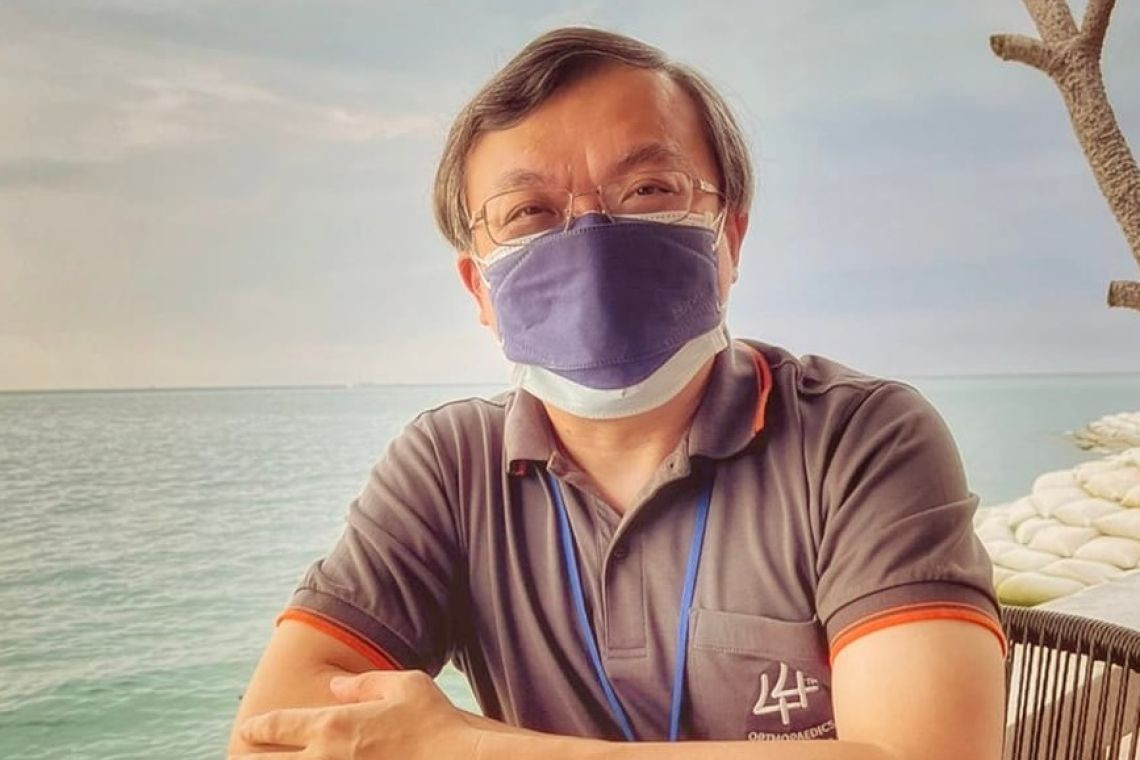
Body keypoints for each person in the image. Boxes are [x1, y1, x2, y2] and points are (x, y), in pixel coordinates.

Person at [226, 27, 1007, 760]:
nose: (592, 241)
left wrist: (470, 746)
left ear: (729, 239)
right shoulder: (449, 465)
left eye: (647, 189)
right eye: (527, 212)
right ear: (480, 288)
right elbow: (270, 737)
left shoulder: (861, 440)